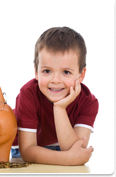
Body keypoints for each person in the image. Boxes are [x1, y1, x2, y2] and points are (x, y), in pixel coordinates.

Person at [11, 27, 98, 166]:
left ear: (81, 75)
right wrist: (66, 159)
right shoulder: (28, 94)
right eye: (47, 71)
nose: (56, 80)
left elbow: (76, 151)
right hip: (21, 150)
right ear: (36, 72)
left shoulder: (88, 102)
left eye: (66, 72)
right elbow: (27, 151)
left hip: (60, 149)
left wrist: (59, 108)